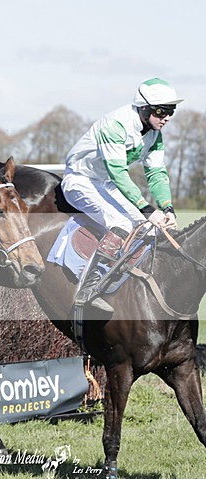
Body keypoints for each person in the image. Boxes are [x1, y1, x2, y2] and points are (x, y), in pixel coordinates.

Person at [61, 78, 182, 312]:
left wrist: (167, 208)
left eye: (171, 111)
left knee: (146, 227)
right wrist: (147, 209)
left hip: (105, 183)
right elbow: (118, 172)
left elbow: (156, 173)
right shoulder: (115, 124)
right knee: (122, 223)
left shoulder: (155, 134)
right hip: (80, 180)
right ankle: (88, 288)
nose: (167, 117)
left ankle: (128, 282)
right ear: (144, 107)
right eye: (162, 111)